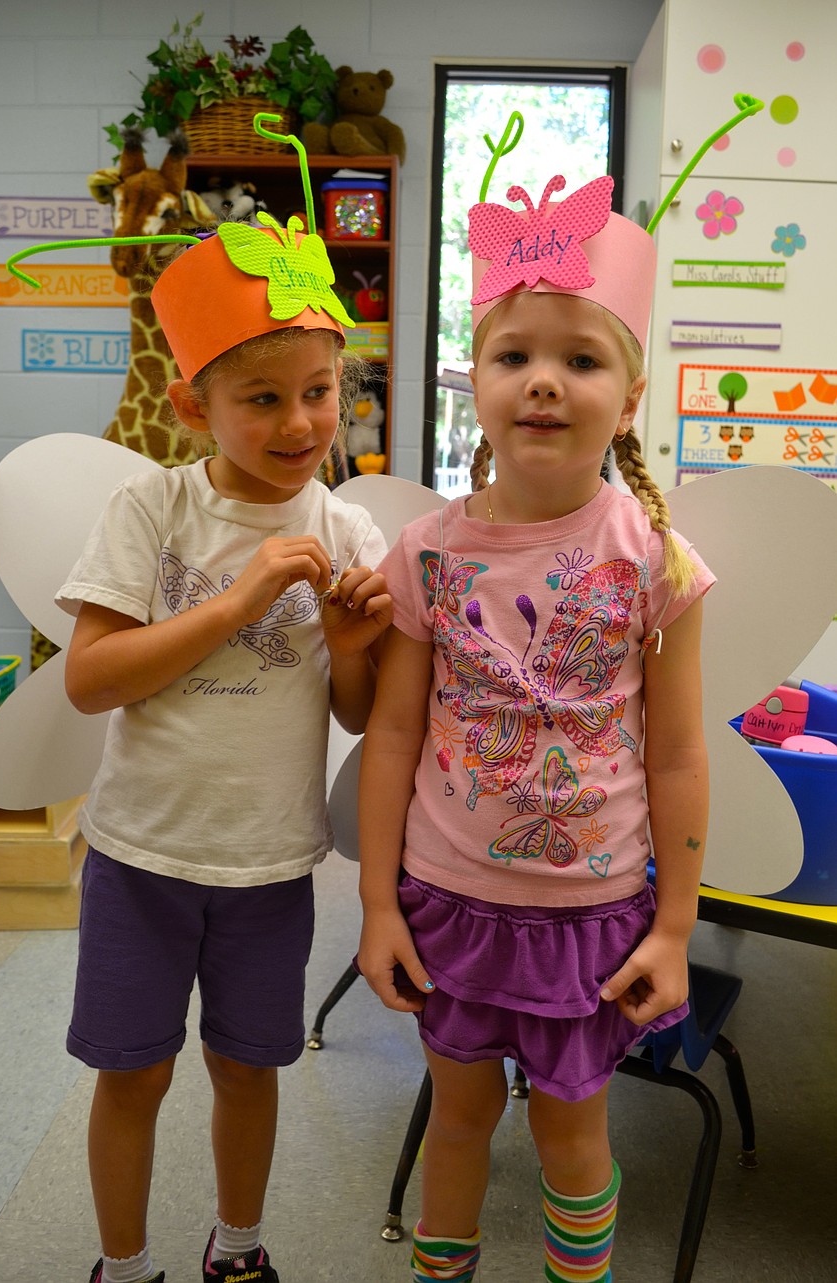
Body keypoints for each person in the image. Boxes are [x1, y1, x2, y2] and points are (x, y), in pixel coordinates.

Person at [356, 146, 714, 1283]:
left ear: (631, 394)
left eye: (580, 358)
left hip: (590, 919)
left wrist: (674, 926)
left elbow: (677, 752)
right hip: (447, 903)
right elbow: (393, 734)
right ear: (476, 379)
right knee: (458, 1125)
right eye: (514, 356)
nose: (543, 381)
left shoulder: (655, 559)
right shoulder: (426, 552)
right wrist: (377, 904)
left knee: (571, 1139)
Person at [56, 212, 392, 1283]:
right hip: (140, 856)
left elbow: (356, 712)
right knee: (132, 1072)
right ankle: (123, 1264)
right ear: (192, 404)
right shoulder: (152, 507)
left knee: (249, 1068)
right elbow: (90, 678)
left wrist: (351, 646)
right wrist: (239, 599)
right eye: (261, 398)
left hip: (267, 864)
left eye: (319, 391)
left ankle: (238, 1250)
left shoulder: (348, 531)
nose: (300, 422)